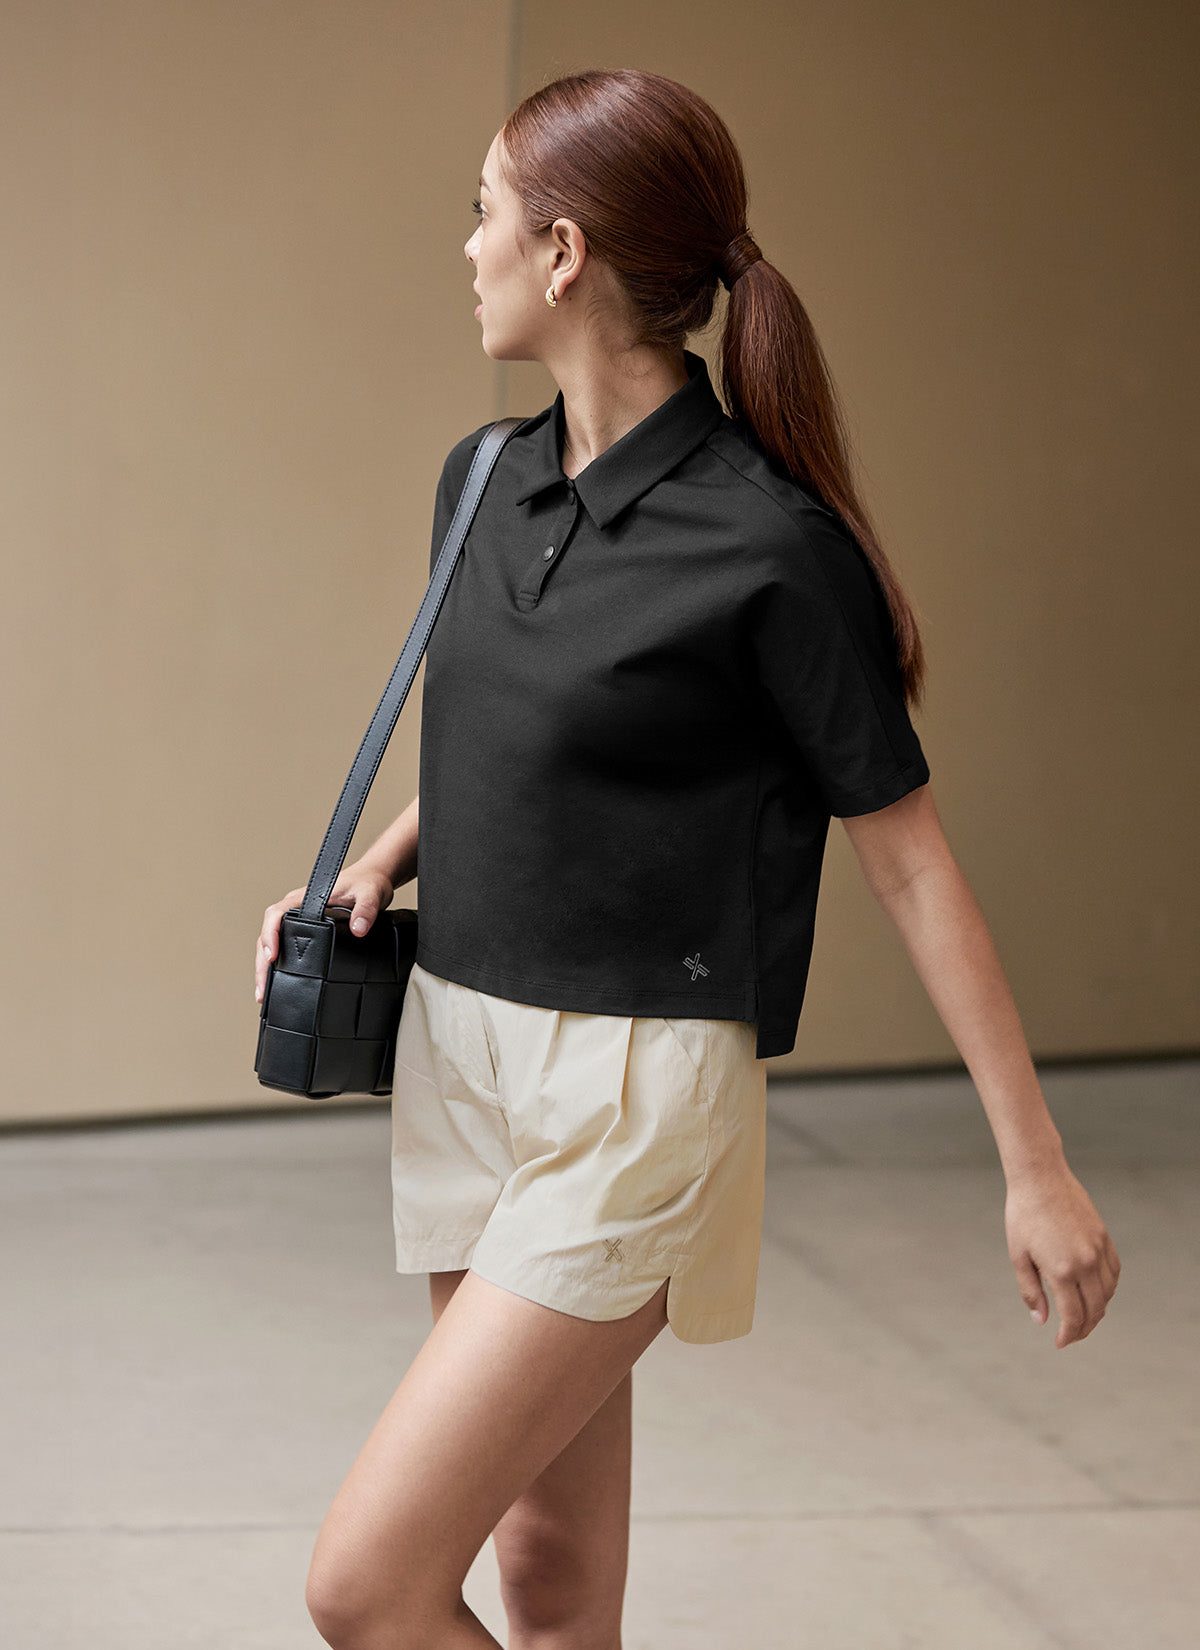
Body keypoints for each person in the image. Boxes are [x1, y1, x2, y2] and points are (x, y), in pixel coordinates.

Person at [254, 68, 1120, 1650]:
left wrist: (1036, 1165)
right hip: (462, 1052)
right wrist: (376, 863)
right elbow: (517, 729)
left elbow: (912, 864)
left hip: (631, 1095)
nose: (467, 246)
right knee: (550, 1584)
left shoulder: (770, 547)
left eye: (485, 213)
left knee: (367, 1586)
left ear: (563, 250)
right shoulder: (483, 478)